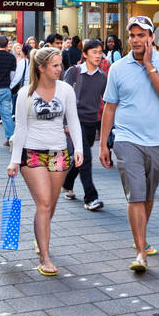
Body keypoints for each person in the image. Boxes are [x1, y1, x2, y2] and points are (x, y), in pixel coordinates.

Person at [99, 16, 159, 272]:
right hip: (126, 139)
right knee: (136, 195)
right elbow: (110, 107)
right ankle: (141, 252)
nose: (136, 40)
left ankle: (140, 237)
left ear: (151, 38)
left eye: (141, 35)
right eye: (132, 35)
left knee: (148, 196)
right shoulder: (118, 68)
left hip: (158, 141)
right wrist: (103, 144)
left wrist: (149, 65)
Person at [8, 47, 84, 276]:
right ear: (41, 68)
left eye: (60, 65)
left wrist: (78, 148)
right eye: (55, 65)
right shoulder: (25, 93)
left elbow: (73, 121)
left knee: (50, 204)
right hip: (32, 152)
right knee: (43, 202)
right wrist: (14, 160)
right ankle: (44, 256)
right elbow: (20, 128)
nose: (60, 69)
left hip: (59, 152)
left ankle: (39, 235)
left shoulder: (66, 90)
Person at [62, 39, 106, 212]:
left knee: (80, 157)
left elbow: (107, 101)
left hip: (91, 122)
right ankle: (91, 198)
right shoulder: (74, 72)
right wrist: (65, 123)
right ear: (85, 54)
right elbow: (63, 98)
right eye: (94, 52)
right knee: (86, 158)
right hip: (75, 122)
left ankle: (67, 183)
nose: (98, 55)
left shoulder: (102, 77)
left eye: (100, 52)